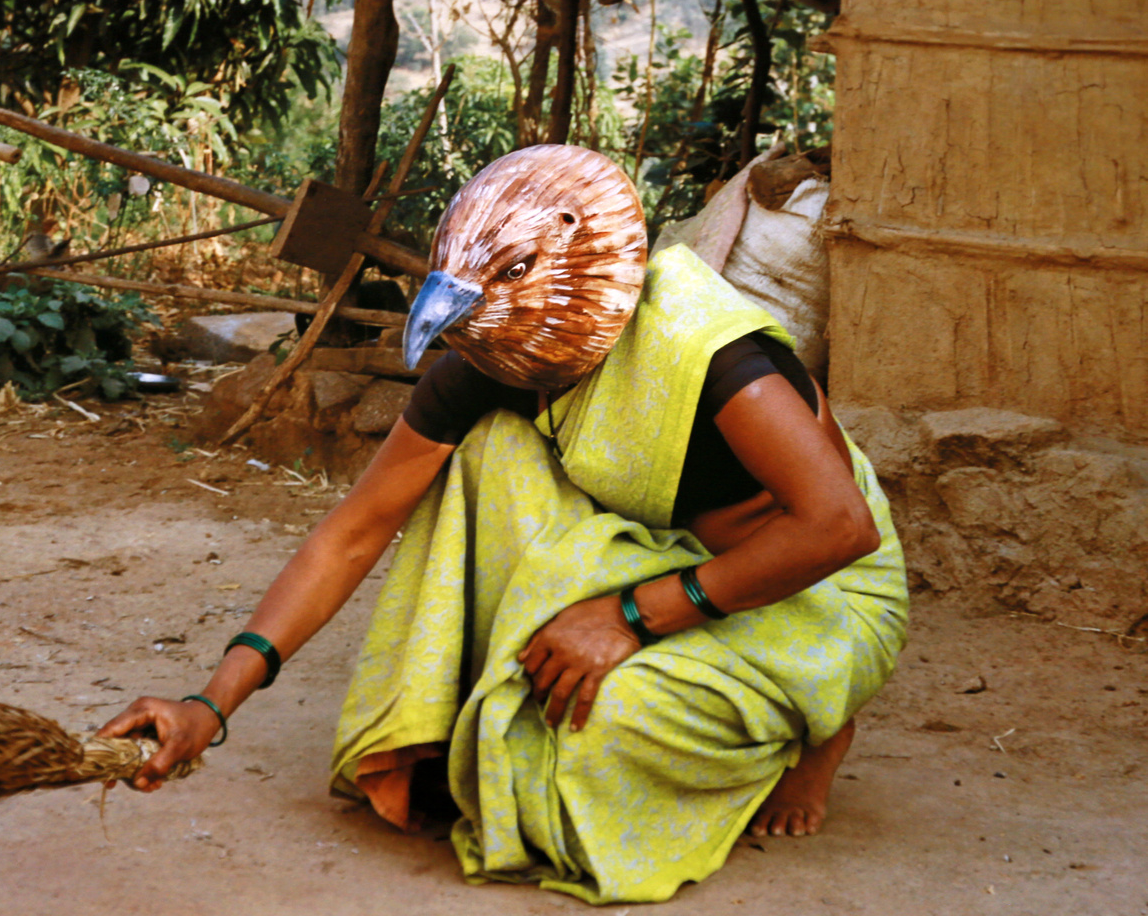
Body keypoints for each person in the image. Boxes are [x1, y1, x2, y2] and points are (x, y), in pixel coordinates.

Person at [101, 145, 908, 904]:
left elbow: (839, 528)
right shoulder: (496, 360)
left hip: (810, 596)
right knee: (492, 454)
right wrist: (210, 704)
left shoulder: (716, 358)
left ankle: (815, 723)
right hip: (663, 555)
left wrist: (629, 616)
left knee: (604, 732)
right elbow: (354, 531)